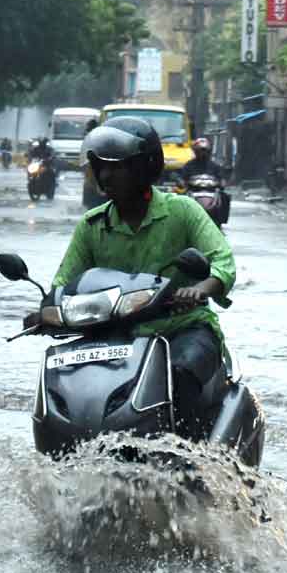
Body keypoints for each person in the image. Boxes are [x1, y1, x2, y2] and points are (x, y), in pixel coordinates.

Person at [49, 117, 237, 438]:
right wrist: (47, 311)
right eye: (101, 167)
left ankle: (190, 458)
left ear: (143, 167)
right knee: (64, 376)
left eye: (117, 167)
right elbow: (63, 285)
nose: (106, 175)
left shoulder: (182, 211)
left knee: (180, 373)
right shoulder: (92, 226)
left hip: (181, 330)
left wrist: (200, 289)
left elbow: (223, 261)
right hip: (115, 335)